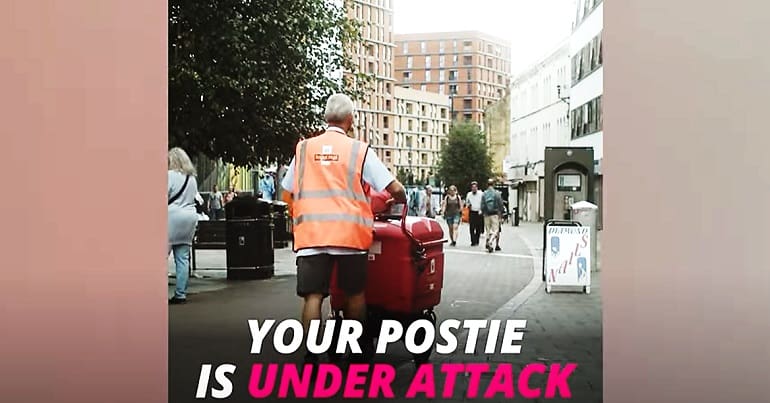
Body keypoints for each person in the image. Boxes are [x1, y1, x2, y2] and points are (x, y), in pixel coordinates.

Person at [281, 93, 407, 365]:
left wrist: (299, 214)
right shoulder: (359, 151)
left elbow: (286, 191)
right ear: (350, 120)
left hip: (312, 236)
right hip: (349, 236)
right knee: (354, 295)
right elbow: (393, 188)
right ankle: (357, 353)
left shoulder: (304, 149)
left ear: (326, 118)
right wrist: (401, 199)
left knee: (313, 297)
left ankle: (312, 355)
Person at [167, 147, 200, 304]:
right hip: (189, 218)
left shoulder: (169, 175)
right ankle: (180, 294)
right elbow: (195, 198)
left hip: (171, 217)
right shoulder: (191, 178)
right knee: (182, 258)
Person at [481, 178, 505, 253]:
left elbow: (482, 205)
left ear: (487, 184)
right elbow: (501, 204)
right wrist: (501, 213)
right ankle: (490, 242)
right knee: (496, 230)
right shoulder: (497, 193)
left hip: (486, 215)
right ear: (493, 184)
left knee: (488, 230)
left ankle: (488, 243)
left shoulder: (484, 193)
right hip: (495, 214)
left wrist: (483, 212)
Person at [465, 181, 484, 246]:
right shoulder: (469, 194)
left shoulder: (481, 194)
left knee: (478, 227)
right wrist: (468, 205)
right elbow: (467, 203)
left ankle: (477, 240)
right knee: (472, 227)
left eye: (475, 187)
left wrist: (481, 210)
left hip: (479, 212)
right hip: (472, 211)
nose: (474, 189)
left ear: (477, 188)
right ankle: (473, 241)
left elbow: (483, 202)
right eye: (473, 187)